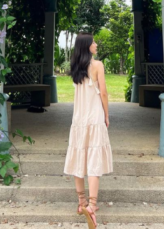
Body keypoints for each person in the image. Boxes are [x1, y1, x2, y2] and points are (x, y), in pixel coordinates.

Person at [63, 32, 113, 228]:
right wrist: (107, 115)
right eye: (93, 42)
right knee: (93, 160)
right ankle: (92, 205)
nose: (96, 44)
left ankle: (81, 202)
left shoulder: (76, 67)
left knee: (78, 158)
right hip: (94, 119)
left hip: (78, 120)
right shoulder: (97, 65)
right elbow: (104, 93)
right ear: (86, 46)